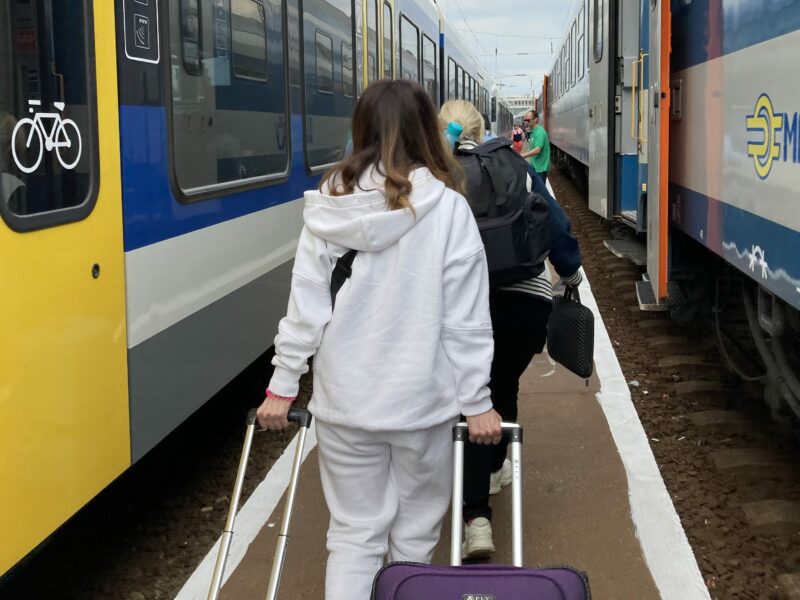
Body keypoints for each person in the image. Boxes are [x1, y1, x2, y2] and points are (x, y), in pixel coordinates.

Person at [256, 80, 502, 600]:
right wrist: (477, 401)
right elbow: (465, 319)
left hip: (345, 403)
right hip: (422, 405)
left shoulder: (328, 205)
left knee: (353, 535)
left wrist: (283, 385)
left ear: (361, 128)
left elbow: (306, 304)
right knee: (414, 535)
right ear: (426, 131)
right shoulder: (448, 208)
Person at [439, 100, 583, 560]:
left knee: (468, 399)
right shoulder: (514, 166)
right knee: (503, 386)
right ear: (483, 129)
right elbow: (556, 225)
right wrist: (571, 273)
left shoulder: (434, 178)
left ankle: (476, 518)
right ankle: (495, 466)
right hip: (525, 304)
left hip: (461, 309)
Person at [521, 110, 551, 185]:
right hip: (535, 166)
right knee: (536, 188)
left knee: (539, 190)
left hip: (540, 168)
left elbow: (537, 150)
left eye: (528, 120)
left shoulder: (539, 132)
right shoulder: (533, 131)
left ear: (535, 119)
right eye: (525, 120)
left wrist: (523, 155)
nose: (526, 122)